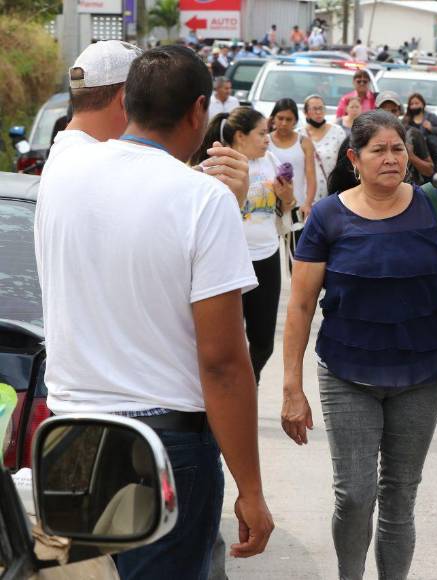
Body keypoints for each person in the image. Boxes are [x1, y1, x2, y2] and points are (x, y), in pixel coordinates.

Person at [35, 45, 274, 580]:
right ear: (197, 112)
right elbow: (224, 364)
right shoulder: (201, 201)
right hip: (162, 445)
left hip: (70, 434)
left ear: (129, 101)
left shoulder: (62, 169)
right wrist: (251, 491)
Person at [281, 109, 437, 580]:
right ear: (355, 158)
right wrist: (292, 388)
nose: (391, 158)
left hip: (421, 375)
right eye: (378, 150)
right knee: (355, 495)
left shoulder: (432, 205)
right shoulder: (327, 217)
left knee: (400, 494)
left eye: (397, 148)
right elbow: (298, 309)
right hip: (346, 374)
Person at [192, 107, 294, 384]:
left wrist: (287, 197)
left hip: (266, 257)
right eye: (261, 133)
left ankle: (248, 383)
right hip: (228, 261)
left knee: (264, 343)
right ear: (240, 136)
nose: (267, 139)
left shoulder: (271, 161)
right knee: (226, 342)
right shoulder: (217, 164)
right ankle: (227, 391)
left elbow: (285, 208)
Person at [268, 98, 317, 219]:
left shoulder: (304, 143)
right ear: (273, 118)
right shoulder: (265, 141)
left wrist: (308, 203)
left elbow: (311, 178)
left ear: (295, 121)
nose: (284, 123)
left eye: (288, 119)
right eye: (280, 118)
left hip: (297, 205)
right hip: (268, 206)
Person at [377, 91, 434, 185]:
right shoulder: (369, 135)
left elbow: (429, 170)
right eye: (384, 111)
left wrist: (411, 156)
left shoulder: (413, 134)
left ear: (400, 111)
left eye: (394, 111)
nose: (389, 115)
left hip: (409, 192)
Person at [299, 94, 347, 198]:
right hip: (305, 196)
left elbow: (345, 162)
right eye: (314, 109)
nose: (318, 112)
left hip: (331, 193)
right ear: (305, 112)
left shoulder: (337, 132)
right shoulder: (299, 135)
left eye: (321, 108)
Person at [403, 92, 437, 170]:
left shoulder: (431, 117)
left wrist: (431, 128)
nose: (414, 106)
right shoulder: (406, 119)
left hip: (429, 154)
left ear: (423, 104)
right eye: (412, 104)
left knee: (428, 176)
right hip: (411, 155)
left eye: (417, 103)